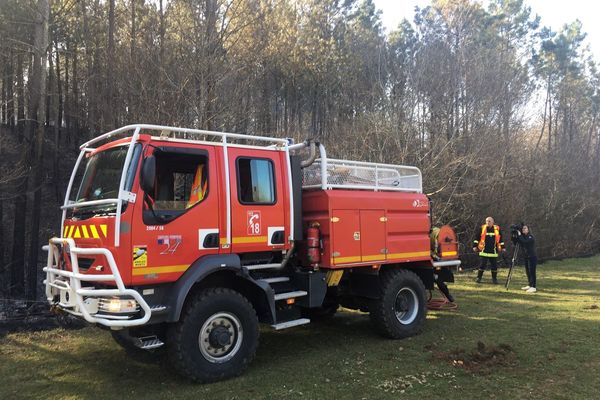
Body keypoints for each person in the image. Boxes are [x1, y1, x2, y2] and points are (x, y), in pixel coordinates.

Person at [473, 217, 505, 284]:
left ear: (493, 222)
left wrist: (503, 247)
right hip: (484, 250)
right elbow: (477, 238)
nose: (488, 222)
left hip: (493, 251)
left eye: (489, 221)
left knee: (494, 266)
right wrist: (474, 246)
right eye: (487, 221)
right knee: (482, 265)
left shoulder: (497, 229)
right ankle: (479, 278)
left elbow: (501, 239)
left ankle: (494, 279)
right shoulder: (482, 228)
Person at [517, 225, 537, 293]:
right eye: (523, 228)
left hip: (532, 257)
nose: (523, 229)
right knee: (528, 271)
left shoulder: (530, 237)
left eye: (525, 228)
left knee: (532, 272)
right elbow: (520, 242)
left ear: (528, 230)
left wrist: (519, 235)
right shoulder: (524, 237)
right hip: (526, 256)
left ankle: (533, 287)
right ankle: (530, 284)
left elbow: (525, 242)